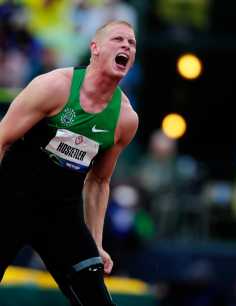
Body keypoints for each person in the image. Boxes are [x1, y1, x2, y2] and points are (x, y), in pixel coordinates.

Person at [0, 20, 138, 306]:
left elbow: (99, 181)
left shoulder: (124, 119)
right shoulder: (54, 86)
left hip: (61, 215)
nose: (126, 45)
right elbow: (2, 139)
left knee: (96, 300)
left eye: (132, 43)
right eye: (118, 39)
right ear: (95, 48)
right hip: (11, 200)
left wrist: (97, 243)